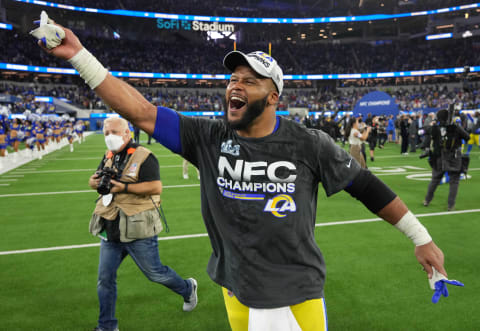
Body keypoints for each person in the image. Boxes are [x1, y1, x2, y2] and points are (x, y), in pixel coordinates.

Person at [36, 19, 452, 331]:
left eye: (249, 81)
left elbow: (367, 186)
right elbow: (140, 111)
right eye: (233, 79)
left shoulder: (309, 143)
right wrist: (78, 56)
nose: (235, 86)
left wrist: (421, 238)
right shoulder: (208, 136)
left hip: (296, 292)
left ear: (273, 97)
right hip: (234, 287)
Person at [87, 117, 198, 331]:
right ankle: (107, 326)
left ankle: (187, 288)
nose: (110, 136)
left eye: (114, 132)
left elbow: (156, 187)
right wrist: (95, 182)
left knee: (155, 273)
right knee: (104, 279)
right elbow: (95, 180)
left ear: (127, 133)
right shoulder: (109, 155)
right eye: (106, 132)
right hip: (111, 226)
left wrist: (124, 188)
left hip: (139, 228)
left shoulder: (144, 156)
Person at [421, 108, 470, 211]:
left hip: (439, 157)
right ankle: (450, 205)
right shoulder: (455, 127)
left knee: (435, 180)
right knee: (454, 181)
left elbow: (427, 132)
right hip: (454, 157)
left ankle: (427, 200)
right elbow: (467, 137)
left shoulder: (435, 127)